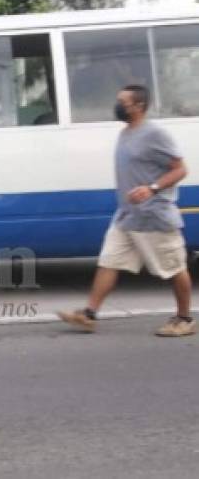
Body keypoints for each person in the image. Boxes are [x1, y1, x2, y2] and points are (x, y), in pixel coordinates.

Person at [58, 85, 194, 337]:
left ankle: (185, 318)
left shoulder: (155, 134)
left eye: (123, 101)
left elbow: (180, 169)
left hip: (154, 216)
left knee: (174, 268)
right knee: (109, 262)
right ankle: (89, 314)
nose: (118, 105)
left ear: (139, 106)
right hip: (126, 216)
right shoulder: (125, 133)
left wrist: (152, 188)